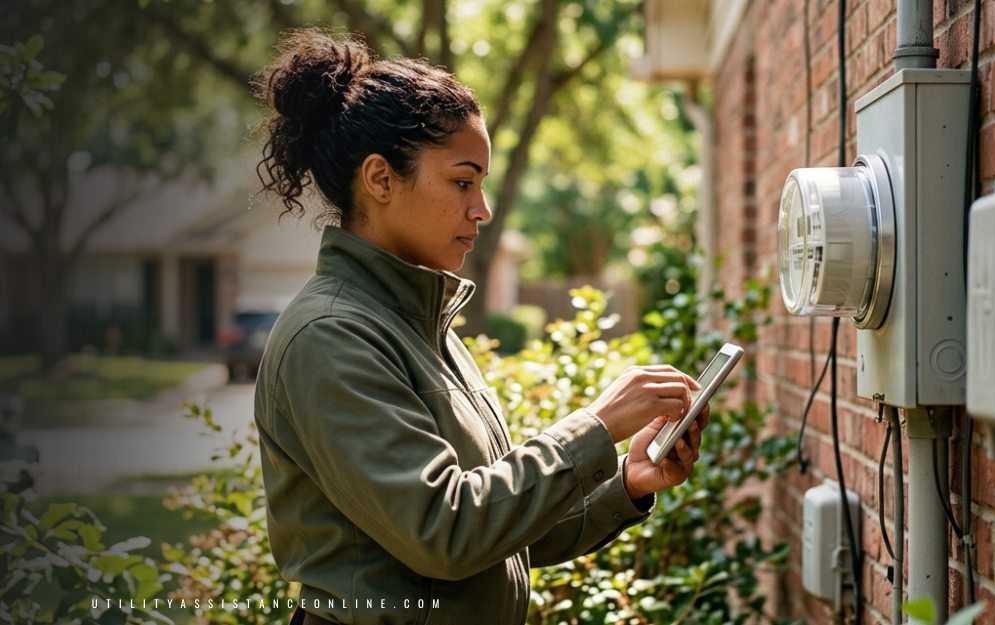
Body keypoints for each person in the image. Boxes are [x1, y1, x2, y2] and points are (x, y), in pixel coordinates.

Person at [252, 29, 707, 625]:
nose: (483, 209)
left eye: (483, 184)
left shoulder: (423, 327)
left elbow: (504, 534)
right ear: (381, 180)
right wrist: (597, 424)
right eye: (463, 181)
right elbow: (448, 531)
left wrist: (626, 484)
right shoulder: (331, 336)